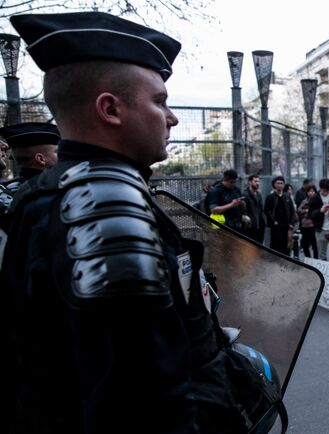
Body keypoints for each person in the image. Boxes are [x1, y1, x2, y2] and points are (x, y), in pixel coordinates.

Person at [1, 12, 279, 433]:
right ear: (110, 109)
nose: (170, 118)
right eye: (159, 101)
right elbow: (142, 398)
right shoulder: (103, 204)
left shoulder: (60, 192)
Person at [0, 122, 59, 214]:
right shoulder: (56, 188)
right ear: (40, 159)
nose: (63, 156)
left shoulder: (7, 192)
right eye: (57, 152)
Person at [265, 175, 296, 255]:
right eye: (278, 183)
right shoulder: (270, 197)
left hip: (286, 225)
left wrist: (291, 223)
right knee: (275, 245)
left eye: (281, 183)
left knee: (287, 246)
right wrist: (273, 221)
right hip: (276, 226)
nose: (280, 185)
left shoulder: (287, 196)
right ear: (274, 185)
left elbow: (292, 210)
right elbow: (266, 211)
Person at [243, 174, 266, 243]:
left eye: (258, 182)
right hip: (250, 227)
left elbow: (261, 210)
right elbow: (244, 211)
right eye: (255, 181)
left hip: (260, 226)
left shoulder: (259, 195)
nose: (258, 183)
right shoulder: (245, 194)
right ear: (250, 182)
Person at [297, 185, 319, 259]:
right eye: (309, 191)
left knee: (315, 245)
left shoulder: (317, 201)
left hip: (313, 226)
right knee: (305, 245)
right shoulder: (304, 201)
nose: (311, 193)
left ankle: (316, 260)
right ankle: (308, 259)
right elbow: (299, 210)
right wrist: (305, 211)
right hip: (304, 225)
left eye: (313, 191)